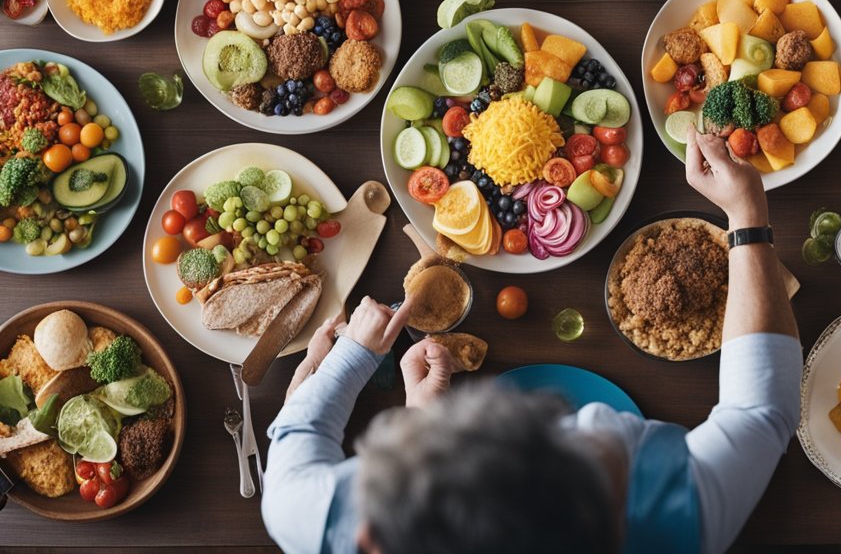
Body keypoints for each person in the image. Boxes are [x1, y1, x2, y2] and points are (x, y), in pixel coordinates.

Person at [261, 128, 801, 554]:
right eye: (589, 442)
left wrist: (393, 396)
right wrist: (747, 214)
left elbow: (297, 433)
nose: (593, 432)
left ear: (370, 541)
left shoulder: (307, 517)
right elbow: (763, 411)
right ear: (612, 517)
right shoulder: (675, 519)